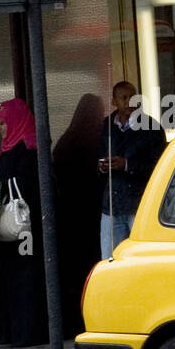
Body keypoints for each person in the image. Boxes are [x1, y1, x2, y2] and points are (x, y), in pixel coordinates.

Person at [0, 99, 48, 346]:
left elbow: (28, 184)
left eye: (1, 123)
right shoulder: (7, 147)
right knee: (9, 279)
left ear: (14, 122)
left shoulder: (29, 147)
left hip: (24, 231)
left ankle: (27, 333)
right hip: (6, 231)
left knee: (24, 280)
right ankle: (11, 333)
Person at [52, 93, 106, 336]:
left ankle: (70, 323)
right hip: (90, 215)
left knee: (72, 273)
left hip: (67, 215)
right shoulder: (94, 141)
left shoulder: (66, 140)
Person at [99, 81, 166, 258]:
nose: (130, 101)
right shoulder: (106, 126)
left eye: (133, 97)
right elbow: (99, 156)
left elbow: (160, 167)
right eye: (124, 98)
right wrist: (103, 166)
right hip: (112, 205)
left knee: (143, 259)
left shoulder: (151, 127)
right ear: (114, 101)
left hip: (139, 204)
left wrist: (128, 165)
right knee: (110, 260)